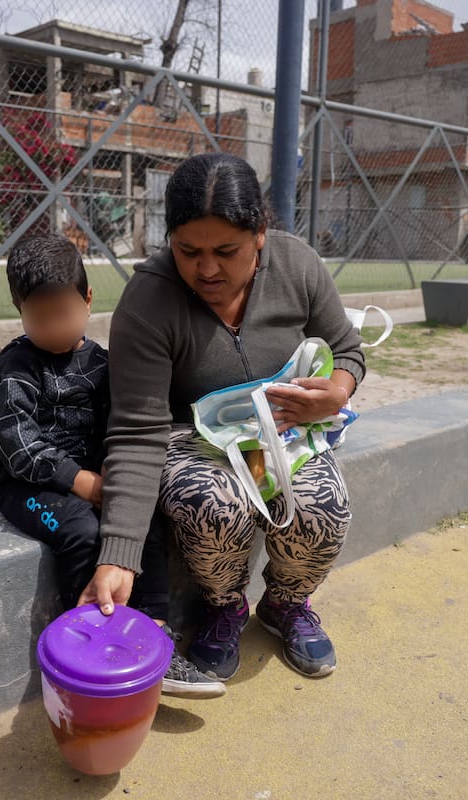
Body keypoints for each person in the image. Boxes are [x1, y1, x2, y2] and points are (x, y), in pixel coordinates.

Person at [78, 153, 366, 680]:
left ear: (260, 233)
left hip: (282, 431)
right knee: (212, 506)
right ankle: (226, 605)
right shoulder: (149, 301)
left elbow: (347, 348)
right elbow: (138, 431)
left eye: (225, 251)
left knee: (322, 508)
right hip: (192, 439)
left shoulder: (298, 265)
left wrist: (337, 391)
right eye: (189, 251)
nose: (207, 269)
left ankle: (286, 603)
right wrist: (118, 555)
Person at [0, 233, 223, 698]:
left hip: (91, 478)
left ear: (88, 301)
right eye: (39, 317)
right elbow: (18, 447)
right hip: (29, 487)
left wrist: (111, 478)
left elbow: (124, 424)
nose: (53, 327)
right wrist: (83, 482)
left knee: (137, 512)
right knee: (82, 532)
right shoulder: (12, 371)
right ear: (19, 308)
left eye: (63, 314)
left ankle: (155, 632)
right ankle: (88, 637)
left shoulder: (104, 364)